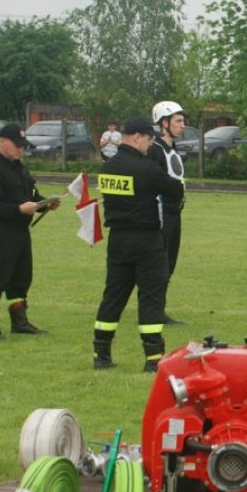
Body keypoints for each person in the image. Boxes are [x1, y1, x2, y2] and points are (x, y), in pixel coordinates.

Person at [92, 117, 185, 370]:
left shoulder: (107, 169)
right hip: (146, 239)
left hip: (118, 240)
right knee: (151, 297)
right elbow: (175, 190)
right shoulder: (147, 169)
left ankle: (101, 353)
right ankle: (153, 359)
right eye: (148, 140)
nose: (150, 145)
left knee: (113, 295)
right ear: (137, 137)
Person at [0, 123, 61, 339]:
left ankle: (19, 321)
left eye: (23, 146)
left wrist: (45, 203)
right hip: (1, 231)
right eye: (17, 145)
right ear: (2, 142)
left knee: (22, 276)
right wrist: (18, 209)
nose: (21, 150)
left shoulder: (21, 169)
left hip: (21, 231)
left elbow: (32, 194)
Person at [149, 101, 187, 324]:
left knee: (170, 261)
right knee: (161, 263)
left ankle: (158, 307)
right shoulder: (155, 150)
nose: (183, 125)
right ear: (164, 123)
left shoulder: (172, 149)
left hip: (174, 213)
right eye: (178, 121)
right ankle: (156, 310)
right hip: (163, 214)